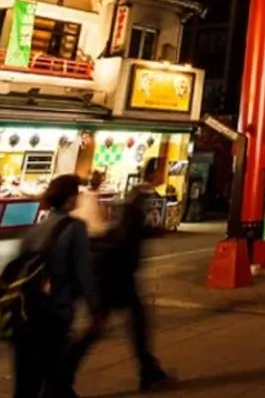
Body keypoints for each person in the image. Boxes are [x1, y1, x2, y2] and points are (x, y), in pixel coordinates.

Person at [70, 162, 169, 391]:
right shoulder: (139, 198)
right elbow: (126, 233)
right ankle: (63, 371)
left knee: (129, 324)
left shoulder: (134, 198)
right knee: (107, 326)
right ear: (153, 174)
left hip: (115, 271)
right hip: (117, 273)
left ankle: (149, 370)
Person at [11, 175, 97, 398]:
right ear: (69, 199)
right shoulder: (75, 228)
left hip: (27, 312)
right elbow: (83, 271)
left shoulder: (36, 228)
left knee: (27, 381)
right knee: (55, 376)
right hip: (56, 312)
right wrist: (95, 308)